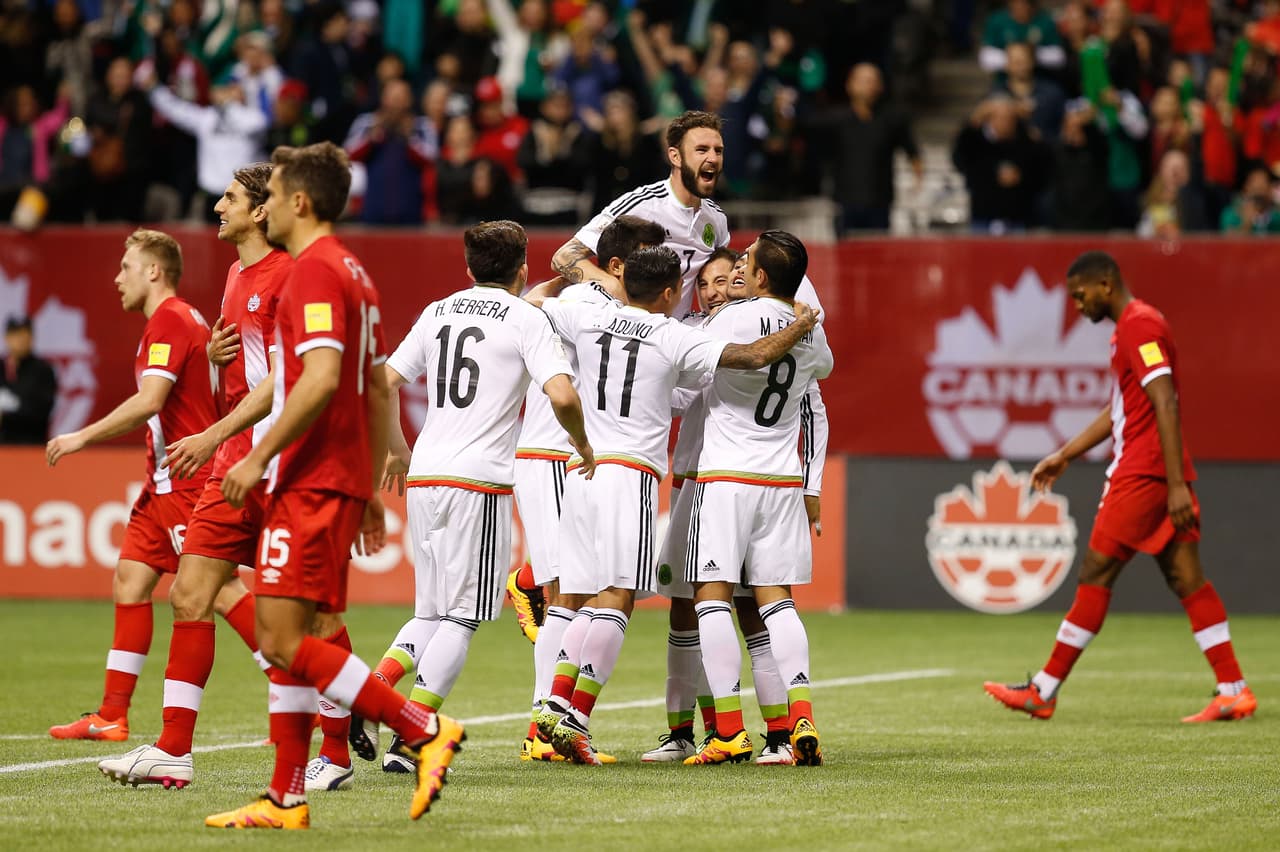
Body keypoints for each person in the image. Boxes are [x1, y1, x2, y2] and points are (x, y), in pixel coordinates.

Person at [205, 142, 463, 830]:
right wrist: (371, 484)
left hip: (310, 477)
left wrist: (258, 456)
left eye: (272, 190)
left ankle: (420, 726)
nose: (261, 205)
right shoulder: (354, 272)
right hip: (334, 478)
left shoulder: (315, 272)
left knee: (282, 637)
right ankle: (286, 797)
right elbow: (377, 383)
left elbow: (320, 379)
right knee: (299, 630)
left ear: (298, 201)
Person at [95, 164, 360, 793]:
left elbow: (287, 377)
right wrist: (221, 365)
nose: (218, 206)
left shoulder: (292, 275)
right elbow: (252, 365)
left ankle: (343, 744)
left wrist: (214, 433)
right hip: (231, 459)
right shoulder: (238, 276)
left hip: (278, 460)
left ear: (262, 211)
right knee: (190, 591)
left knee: (313, 619)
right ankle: (173, 750)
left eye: (231, 198)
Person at [530, 245, 821, 764]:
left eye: (733, 272)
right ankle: (779, 723)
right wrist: (802, 324)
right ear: (672, 293)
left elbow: (543, 293)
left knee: (586, 596)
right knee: (636, 596)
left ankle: (559, 705)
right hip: (721, 476)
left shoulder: (590, 315)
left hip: (589, 468)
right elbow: (765, 360)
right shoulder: (678, 335)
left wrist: (570, 273)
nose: (718, 286)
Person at [984, 251, 1255, 724]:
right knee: (1186, 579)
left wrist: (1173, 486)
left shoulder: (1139, 325)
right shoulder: (1132, 327)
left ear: (1105, 284)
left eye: (1080, 294)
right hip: (1158, 472)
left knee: (1096, 572)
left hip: (1144, 474)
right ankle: (1233, 689)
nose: (1078, 304)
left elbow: (1165, 403)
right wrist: (1065, 454)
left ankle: (1043, 690)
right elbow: (1122, 412)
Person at [372, 219, 595, 772]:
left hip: (425, 473)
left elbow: (381, 382)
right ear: (522, 268)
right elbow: (562, 394)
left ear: (468, 269)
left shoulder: (440, 308)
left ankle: (370, 697)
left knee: (429, 611)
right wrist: (583, 442)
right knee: (462, 619)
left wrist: (397, 448)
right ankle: (409, 736)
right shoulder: (525, 319)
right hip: (481, 480)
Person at [644, 248, 829, 766]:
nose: (737, 272)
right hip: (781, 479)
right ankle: (799, 716)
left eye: (746, 263)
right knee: (778, 603)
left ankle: (727, 731)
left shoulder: (728, 319)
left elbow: (682, 365)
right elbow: (825, 369)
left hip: (725, 478)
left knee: (710, 599)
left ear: (762, 274)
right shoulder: (808, 327)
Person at [46, 230, 219, 743]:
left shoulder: (169, 318)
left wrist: (81, 436)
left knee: (219, 592)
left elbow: (150, 401)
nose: (117, 277)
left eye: (126, 267)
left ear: (153, 272)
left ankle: (301, 701)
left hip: (186, 480)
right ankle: (111, 714)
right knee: (130, 579)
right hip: (161, 483)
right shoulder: (186, 318)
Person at [506, 214, 664, 765]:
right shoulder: (587, 304)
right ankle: (541, 724)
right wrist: (569, 280)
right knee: (568, 592)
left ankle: (549, 717)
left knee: (574, 593)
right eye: (643, 255)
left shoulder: (617, 310)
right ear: (617, 264)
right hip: (559, 452)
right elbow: (524, 310)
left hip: (575, 459)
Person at [552, 110, 730, 318]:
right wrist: (613, 288)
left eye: (718, 151)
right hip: (631, 334)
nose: (713, 158)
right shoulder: (642, 204)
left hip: (677, 337)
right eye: (702, 150)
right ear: (675, 156)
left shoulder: (716, 219)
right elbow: (564, 256)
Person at [0, 315, 56, 444]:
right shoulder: (2, 367)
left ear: (32, 337)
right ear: (6, 337)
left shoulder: (43, 370)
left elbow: (42, 411)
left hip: (30, 445)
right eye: (16, 334)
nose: (21, 339)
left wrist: (7, 414)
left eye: (25, 334)